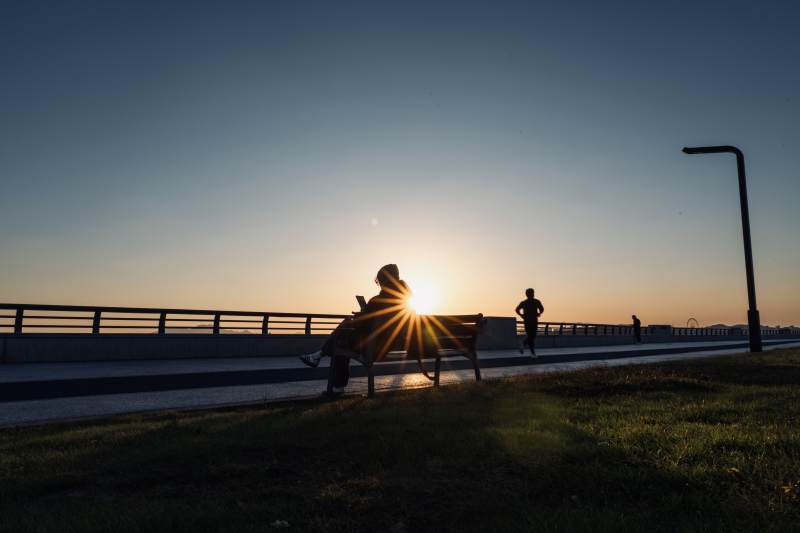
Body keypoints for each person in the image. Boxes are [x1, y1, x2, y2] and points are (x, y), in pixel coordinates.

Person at [299, 264, 411, 394]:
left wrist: (358, 317)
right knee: (343, 332)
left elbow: (364, 324)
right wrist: (363, 315)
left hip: (374, 347)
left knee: (340, 340)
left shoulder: (378, 300)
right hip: (390, 345)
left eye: (379, 281)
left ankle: (331, 376)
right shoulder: (406, 300)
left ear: (385, 281)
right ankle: (318, 355)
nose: (379, 284)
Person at [515, 288, 544, 357]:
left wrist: (521, 315)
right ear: (533, 294)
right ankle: (532, 352)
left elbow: (517, 310)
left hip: (527, 321)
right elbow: (542, 309)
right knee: (532, 337)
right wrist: (538, 313)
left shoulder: (524, 302)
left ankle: (524, 344)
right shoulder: (536, 301)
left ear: (526, 294)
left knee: (531, 336)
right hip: (534, 321)